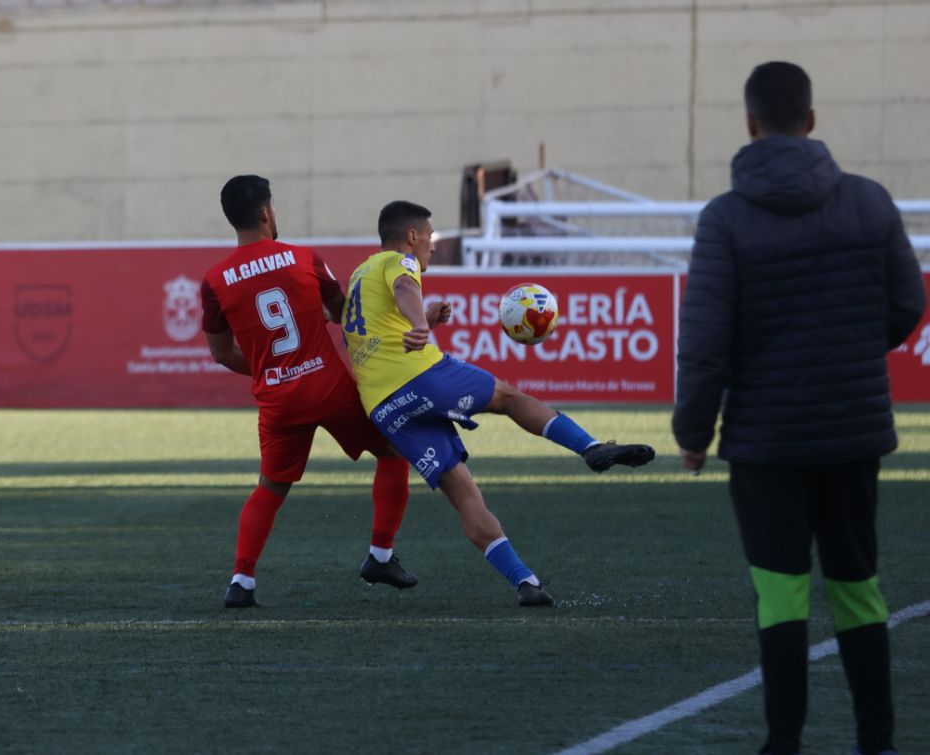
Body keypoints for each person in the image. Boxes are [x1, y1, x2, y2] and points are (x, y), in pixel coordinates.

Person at [674, 61, 924, 755]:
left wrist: (693, 432)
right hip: (852, 432)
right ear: (811, 120)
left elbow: (705, 342)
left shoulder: (726, 218)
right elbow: (908, 303)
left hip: (766, 442)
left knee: (781, 593)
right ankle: (878, 741)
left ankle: (783, 742)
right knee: (858, 588)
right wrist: (849, 349)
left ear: (750, 124)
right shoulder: (869, 201)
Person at [342, 200, 656, 607]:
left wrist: (425, 320)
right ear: (412, 236)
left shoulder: (360, 273)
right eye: (430, 236)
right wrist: (420, 323)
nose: (432, 245)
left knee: (463, 493)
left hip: (383, 407)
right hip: (419, 377)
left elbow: (379, 328)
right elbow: (405, 287)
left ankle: (526, 582)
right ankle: (591, 447)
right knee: (508, 397)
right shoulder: (401, 262)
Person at [201, 175, 417, 609]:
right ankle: (380, 555)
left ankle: (241, 581)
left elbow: (222, 353)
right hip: (329, 388)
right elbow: (344, 313)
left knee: (270, 488)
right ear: (266, 213)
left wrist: (271, 368)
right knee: (394, 452)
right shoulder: (304, 258)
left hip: (278, 401)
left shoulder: (214, 280)